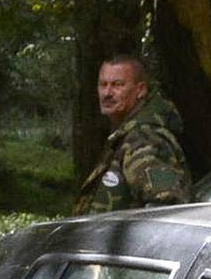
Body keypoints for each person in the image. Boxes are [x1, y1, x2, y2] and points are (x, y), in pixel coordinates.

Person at [75, 52, 192, 209]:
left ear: (140, 90)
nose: (107, 93)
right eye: (103, 84)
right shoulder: (125, 135)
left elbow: (166, 205)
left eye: (117, 85)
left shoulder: (144, 139)